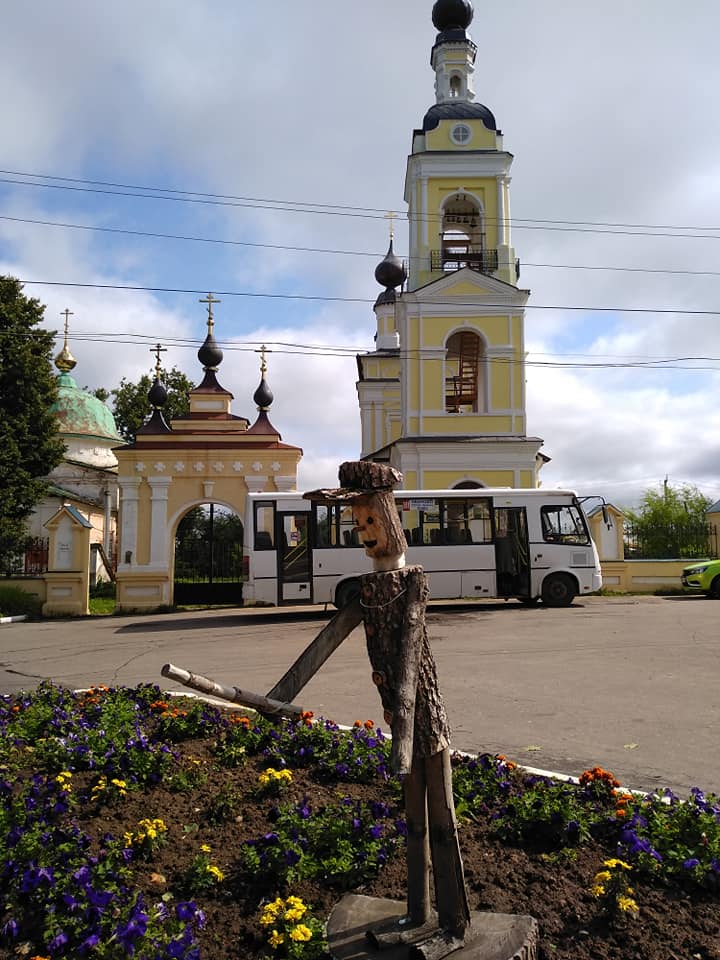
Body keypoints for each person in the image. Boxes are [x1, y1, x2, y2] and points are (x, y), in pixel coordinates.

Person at [305, 461, 470, 960]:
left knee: (440, 821)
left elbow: (411, 651)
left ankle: (454, 923)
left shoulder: (411, 582)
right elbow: (330, 637)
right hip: (403, 724)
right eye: (358, 525)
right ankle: (417, 914)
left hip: (424, 727)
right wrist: (283, 692)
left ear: (390, 519)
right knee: (413, 823)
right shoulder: (371, 585)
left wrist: (403, 730)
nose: (364, 534)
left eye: (371, 522)